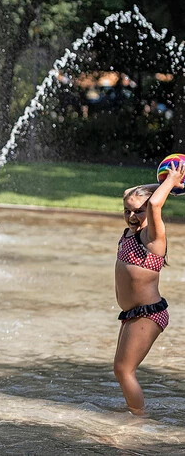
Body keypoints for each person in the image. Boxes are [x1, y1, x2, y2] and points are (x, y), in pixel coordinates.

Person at [113, 163, 185, 416]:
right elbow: (130, 191)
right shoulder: (131, 232)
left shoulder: (153, 238)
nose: (132, 217)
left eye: (138, 212)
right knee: (120, 368)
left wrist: (171, 181)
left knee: (124, 370)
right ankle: (134, 410)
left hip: (148, 313)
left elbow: (154, 205)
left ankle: (139, 420)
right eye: (127, 211)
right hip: (133, 314)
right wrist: (172, 185)